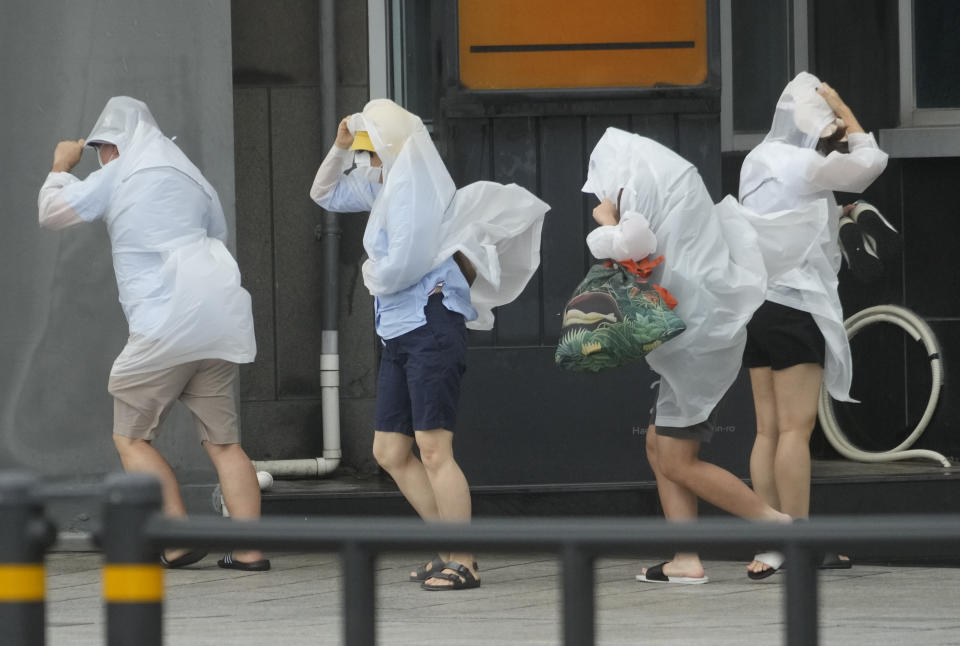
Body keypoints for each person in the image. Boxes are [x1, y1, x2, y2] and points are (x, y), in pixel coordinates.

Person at [310, 99, 547, 590]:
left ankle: (462, 559)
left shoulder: (412, 190)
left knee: (434, 449)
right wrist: (339, 145)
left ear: (391, 149)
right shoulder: (391, 181)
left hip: (429, 324)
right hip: (400, 330)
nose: (367, 162)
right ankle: (449, 550)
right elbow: (325, 193)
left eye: (371, 152)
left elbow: (399, 266)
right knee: (390, 450)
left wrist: (367, 273)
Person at [38, 96, 268, 571]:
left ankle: (178, 538)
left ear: (114, 145)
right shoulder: (193, 176)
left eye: (102, 147)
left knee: (132, 439)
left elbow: (52, 212)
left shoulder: (121, 171)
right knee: (225, 444)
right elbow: (216, 235)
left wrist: (62, 166)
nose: (101, 155)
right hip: (219, 319)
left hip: (162, 324)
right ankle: (249, 551)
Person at [583, 128, 792, 585]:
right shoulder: (673, 177)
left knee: (677, 459)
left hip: (696, 337)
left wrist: (604, 222)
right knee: (658, 444)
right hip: (698, 331)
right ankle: (686, 559)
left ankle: (778, 526)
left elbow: (633, 242)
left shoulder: (642, 186)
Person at [738, 73, 888, 578]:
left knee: (766, 430)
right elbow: (870, 163)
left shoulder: (755, 161)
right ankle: (798, 542)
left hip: (756, 306)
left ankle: (769, 544)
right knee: (796, 432)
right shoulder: (806, 164)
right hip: (796, 305)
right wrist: (842, 103)